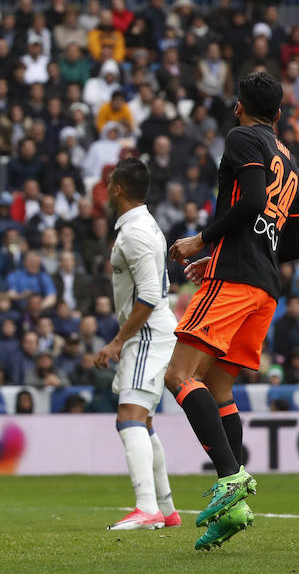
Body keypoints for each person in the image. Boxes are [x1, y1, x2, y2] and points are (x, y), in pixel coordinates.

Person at [168, 72, 299, 550]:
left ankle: (231, 478)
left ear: (239, 108)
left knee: (179, 375)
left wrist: (201, 242)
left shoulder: (242, 137)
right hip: (266, 287)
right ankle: (237, 506)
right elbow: (292, 245)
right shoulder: (291, 161)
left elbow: (248, 200)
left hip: (236, 279)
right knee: (220, 385)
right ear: (280, 115)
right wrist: (220, 252)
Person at [94, 158, 180, 531]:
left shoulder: (136, 234)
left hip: (147, 335)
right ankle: (166, 508)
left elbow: (147, 297)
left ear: (117, 189)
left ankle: (146, 507)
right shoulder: (143, 226)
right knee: (143, 421)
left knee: (129, 416)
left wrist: (116, 342)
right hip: (151, 334)